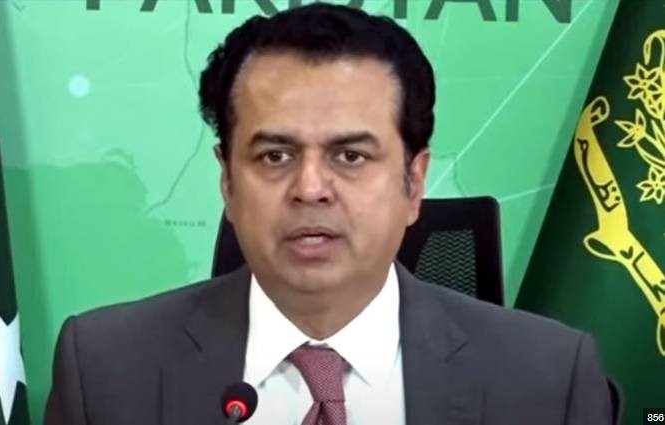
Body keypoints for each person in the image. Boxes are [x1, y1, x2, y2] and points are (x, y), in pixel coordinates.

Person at [45, 3, 613, 425]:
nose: (311, 188)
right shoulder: (105, 371)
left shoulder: (549, 380)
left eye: (350, 156)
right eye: (275, 156)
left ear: (414, 182)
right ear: (227, 180)